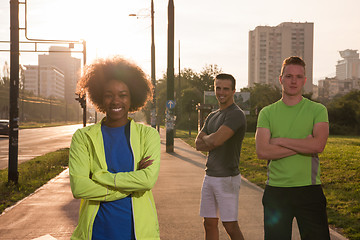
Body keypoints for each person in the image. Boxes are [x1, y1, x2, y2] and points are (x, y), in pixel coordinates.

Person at [69, 56, 160, 240]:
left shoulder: (148, 136)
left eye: (122, 95)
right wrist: (130, 186)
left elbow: (147, 180)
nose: (115, 101)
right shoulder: (83, 138)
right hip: (97, 232)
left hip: (138, 233)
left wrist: (102, 177)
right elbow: (79, 188)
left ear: (132, 97)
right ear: (100, 99)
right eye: (109, 95)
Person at [255, 56, 330, 240]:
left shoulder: (318, 110)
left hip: (309, 191)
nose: (293, 81)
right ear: (281, 79)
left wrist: (279, 140)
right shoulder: (267, 112)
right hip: (276, 192)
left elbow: (318, 145)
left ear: (304, 80)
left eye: (298, 76)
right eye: (289, 76)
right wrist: (304, 145)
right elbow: (262, 151)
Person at [195, 73, 246, 240]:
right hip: (209, 176)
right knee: (208, 223)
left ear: (233, 91)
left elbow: (216, 141)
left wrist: (210, 139)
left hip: (227, 178)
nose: (221, 92)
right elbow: (197, 143)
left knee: (230, 226)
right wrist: (211, 140)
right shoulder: (212, 116)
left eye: (225, 89)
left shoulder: (236, 114)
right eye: (218, 88)